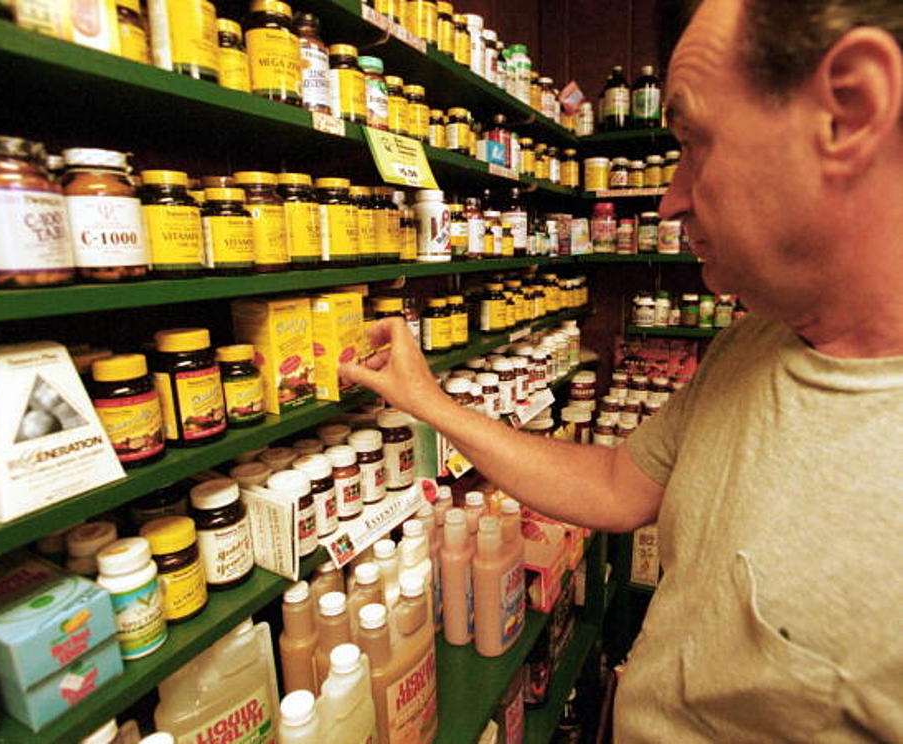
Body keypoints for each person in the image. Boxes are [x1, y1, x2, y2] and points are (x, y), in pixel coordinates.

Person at [341, 0, 903, 739]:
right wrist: (429, 402)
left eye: (695, 142)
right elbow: (614, 485)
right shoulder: (754, 341)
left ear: (850, 108)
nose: (669, 200)